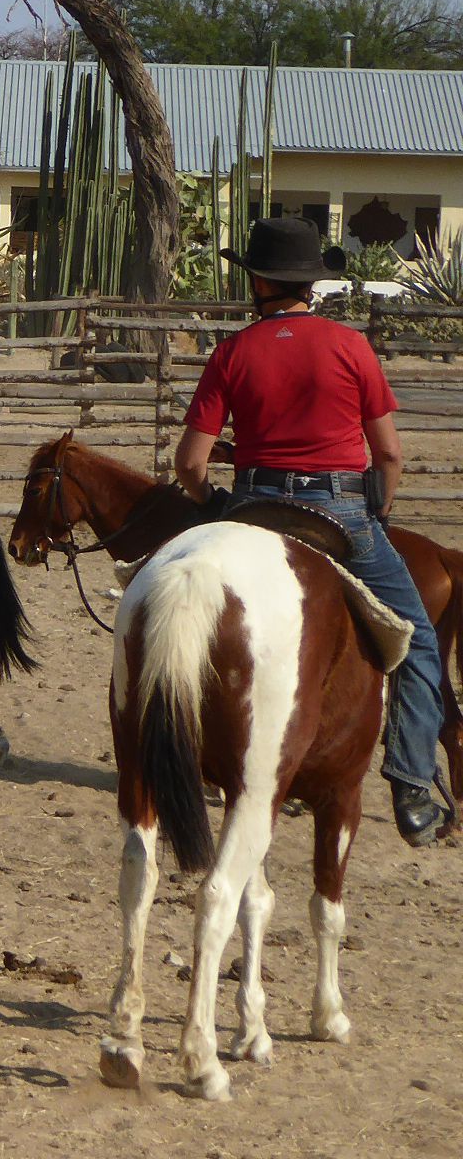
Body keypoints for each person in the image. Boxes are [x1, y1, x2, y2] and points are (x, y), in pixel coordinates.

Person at [173, 216, 450, 844]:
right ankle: (410, 783)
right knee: (419, 641)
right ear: (309, 283)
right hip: (340, 511)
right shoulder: (351, 347)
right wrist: (375, 513)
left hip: (253, 508)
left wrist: (213, 501)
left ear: (261, 281)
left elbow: (188, 462)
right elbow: (389, 457)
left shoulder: (232, 352)